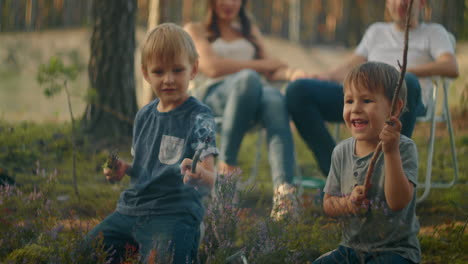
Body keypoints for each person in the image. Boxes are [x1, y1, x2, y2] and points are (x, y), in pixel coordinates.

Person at [86, 23, 218, 263]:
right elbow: (145, 167)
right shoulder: (144, 116)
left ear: (194, 69)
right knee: (85, 251)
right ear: (146, 74)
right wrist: (124, 169)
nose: (168, 79)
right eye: (159, 72)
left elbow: (211, 177)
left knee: (163, 258)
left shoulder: (199, 116)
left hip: (174, 213)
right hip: (130, 211)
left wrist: (199, 174)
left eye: (177, 70)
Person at [286, 0, 459, 177]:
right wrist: (325, 76)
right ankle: (340, 174)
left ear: (421, 3)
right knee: (297, 90)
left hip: (403, 101)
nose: (400, 3)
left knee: (408, 81)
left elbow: (450, 66)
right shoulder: (376, 31)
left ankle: (383, 174)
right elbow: (352, 65)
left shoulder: (433, 32)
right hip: (362, 98)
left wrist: (400, 73)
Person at [184, 0, 305, 219]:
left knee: (275, 98)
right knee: (248, 78)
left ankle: (284, 193)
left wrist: (293, 74)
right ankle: (226, 169)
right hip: (212, 97)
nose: (228, 3)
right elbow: (211, 68)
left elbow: (273, 69)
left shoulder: (250, 31)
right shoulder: (195, 30)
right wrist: (260, 66)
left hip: (253, 98)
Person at [315, 62, 420, 264]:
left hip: (396, 252)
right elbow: (328, 204)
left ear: (395, 107)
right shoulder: (341, 152)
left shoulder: (404, 148)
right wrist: (349, 204)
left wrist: (390, 152)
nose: (355, 109)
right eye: (349, 101)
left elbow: (398, 202)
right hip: (350, 250)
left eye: (366, 100)